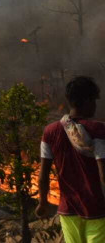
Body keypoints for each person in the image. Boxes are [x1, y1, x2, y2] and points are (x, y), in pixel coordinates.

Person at [37, 76, 105, 242]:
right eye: (94, 101)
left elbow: (43, 175)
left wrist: (43, 202)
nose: (95, 106)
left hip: (67, 209)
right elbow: (104, 174)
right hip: (96, 209)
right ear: (88, 100)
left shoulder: (49, 132)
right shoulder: (98, 130)